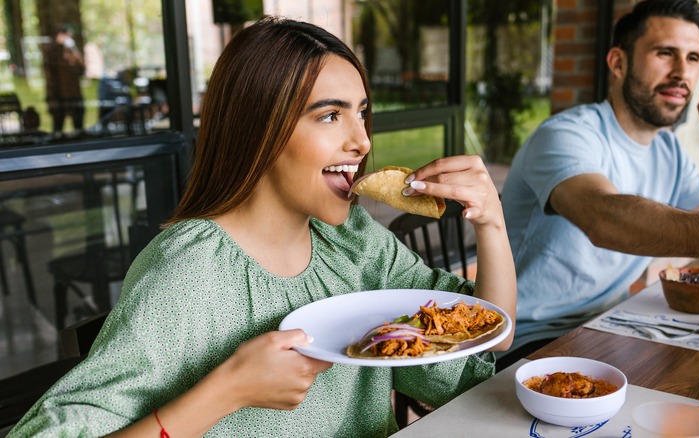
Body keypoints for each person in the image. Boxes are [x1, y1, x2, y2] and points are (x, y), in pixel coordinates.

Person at [10, 16, 516, 437]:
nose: (362, 141)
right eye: (329, 116)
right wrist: (227, 390)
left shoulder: (355, 243)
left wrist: (491, 223)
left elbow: (491, 338)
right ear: (261, 129)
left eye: (362, 113)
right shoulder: (189, 274)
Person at [499, 0, 699, 363]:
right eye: (666, 53)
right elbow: (603, 219)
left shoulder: (668, 149)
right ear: (618, 62)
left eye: (693, 58)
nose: (682, 72)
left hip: (608, 328)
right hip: (526, 342)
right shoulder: (566, 134)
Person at [43, 26, 86, 135]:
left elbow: (81, 69)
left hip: (73, 94)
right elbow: (50, 70)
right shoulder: (51, 51)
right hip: (58, 95)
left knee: (78, 125)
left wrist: (73, 49)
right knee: (58, 126)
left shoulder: (71, 51)